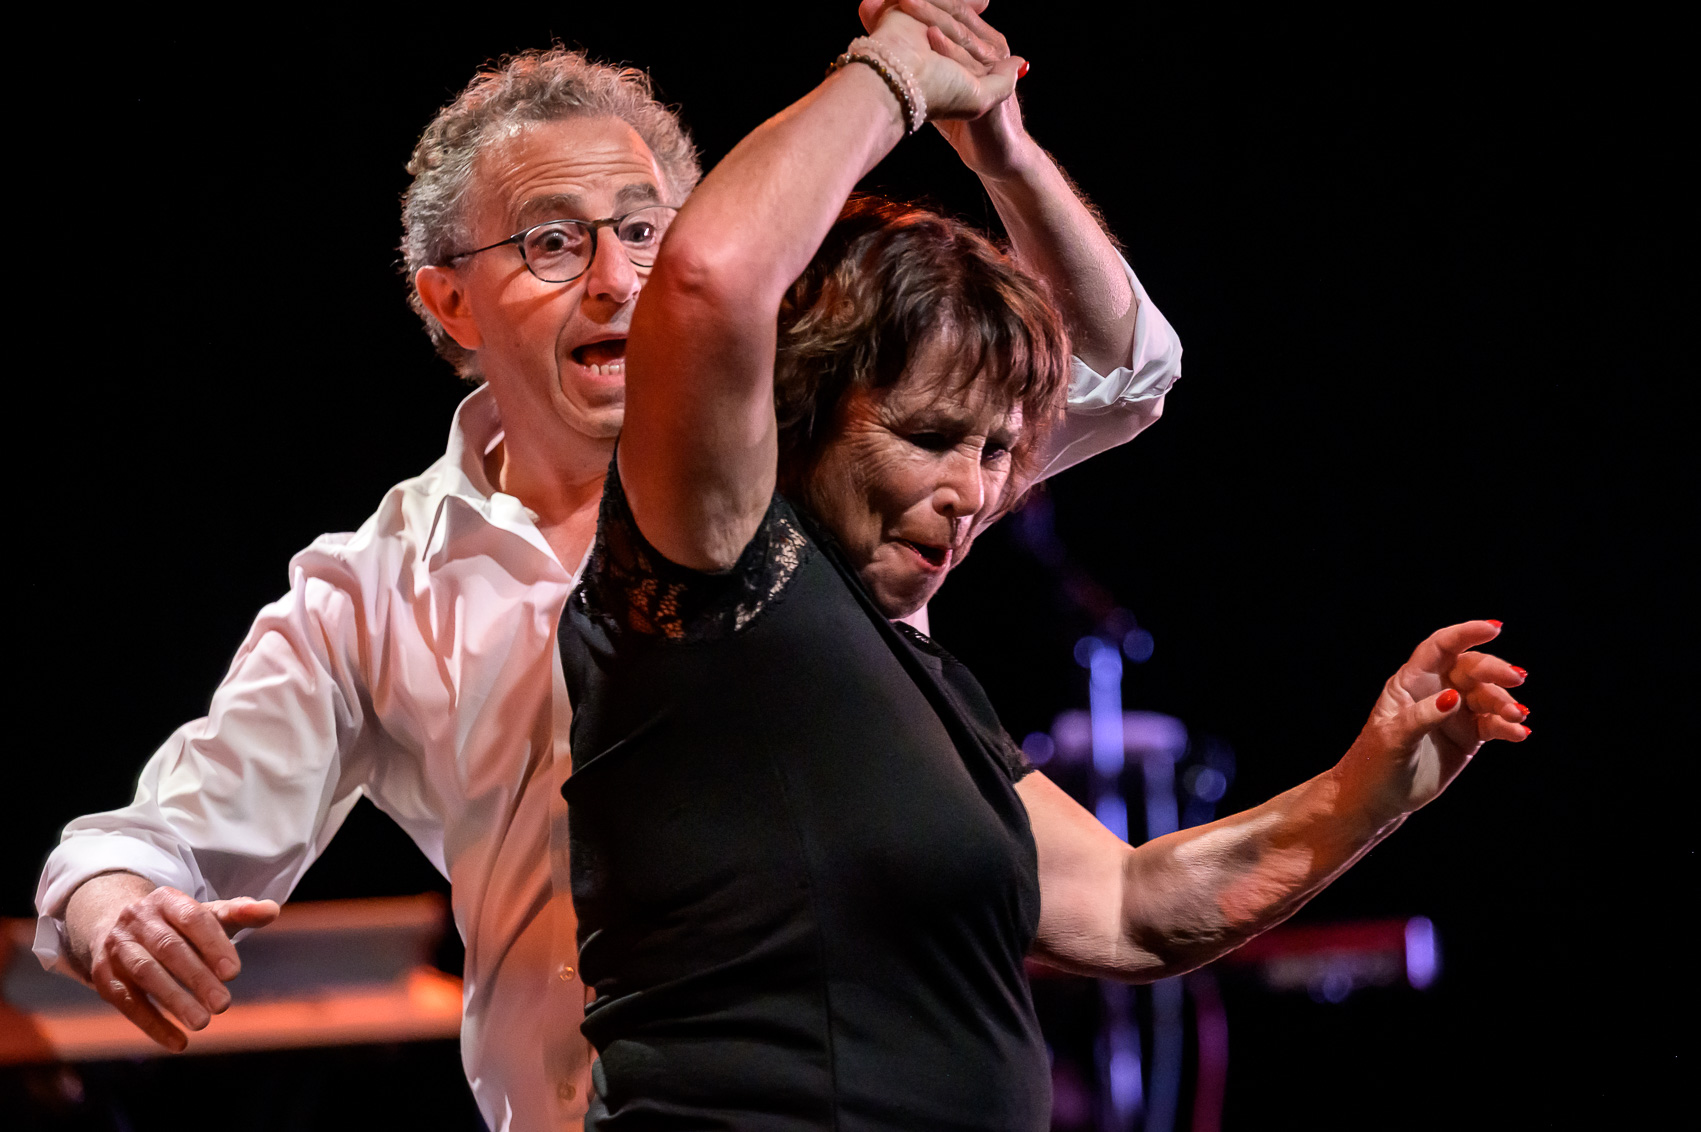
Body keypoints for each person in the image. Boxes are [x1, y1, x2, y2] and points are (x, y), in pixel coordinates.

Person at [31, 5, 1182, 1129]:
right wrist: (116, 909)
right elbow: (138, 843)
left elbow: (1126, 376)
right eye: (551, 242)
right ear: (448, 300)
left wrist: (1005, 153)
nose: (617, 279)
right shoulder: (376, 589)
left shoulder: (817, 452)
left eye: (645, 231)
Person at [560, 7, 1531, 1128]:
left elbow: (1132, 907)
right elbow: (711, 280)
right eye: (928, 439)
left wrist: (1373, 784)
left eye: (995, 450)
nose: (975, 492)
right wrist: (897, 74)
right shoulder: (720, 567)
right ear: (803, 411)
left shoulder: (923, 686)